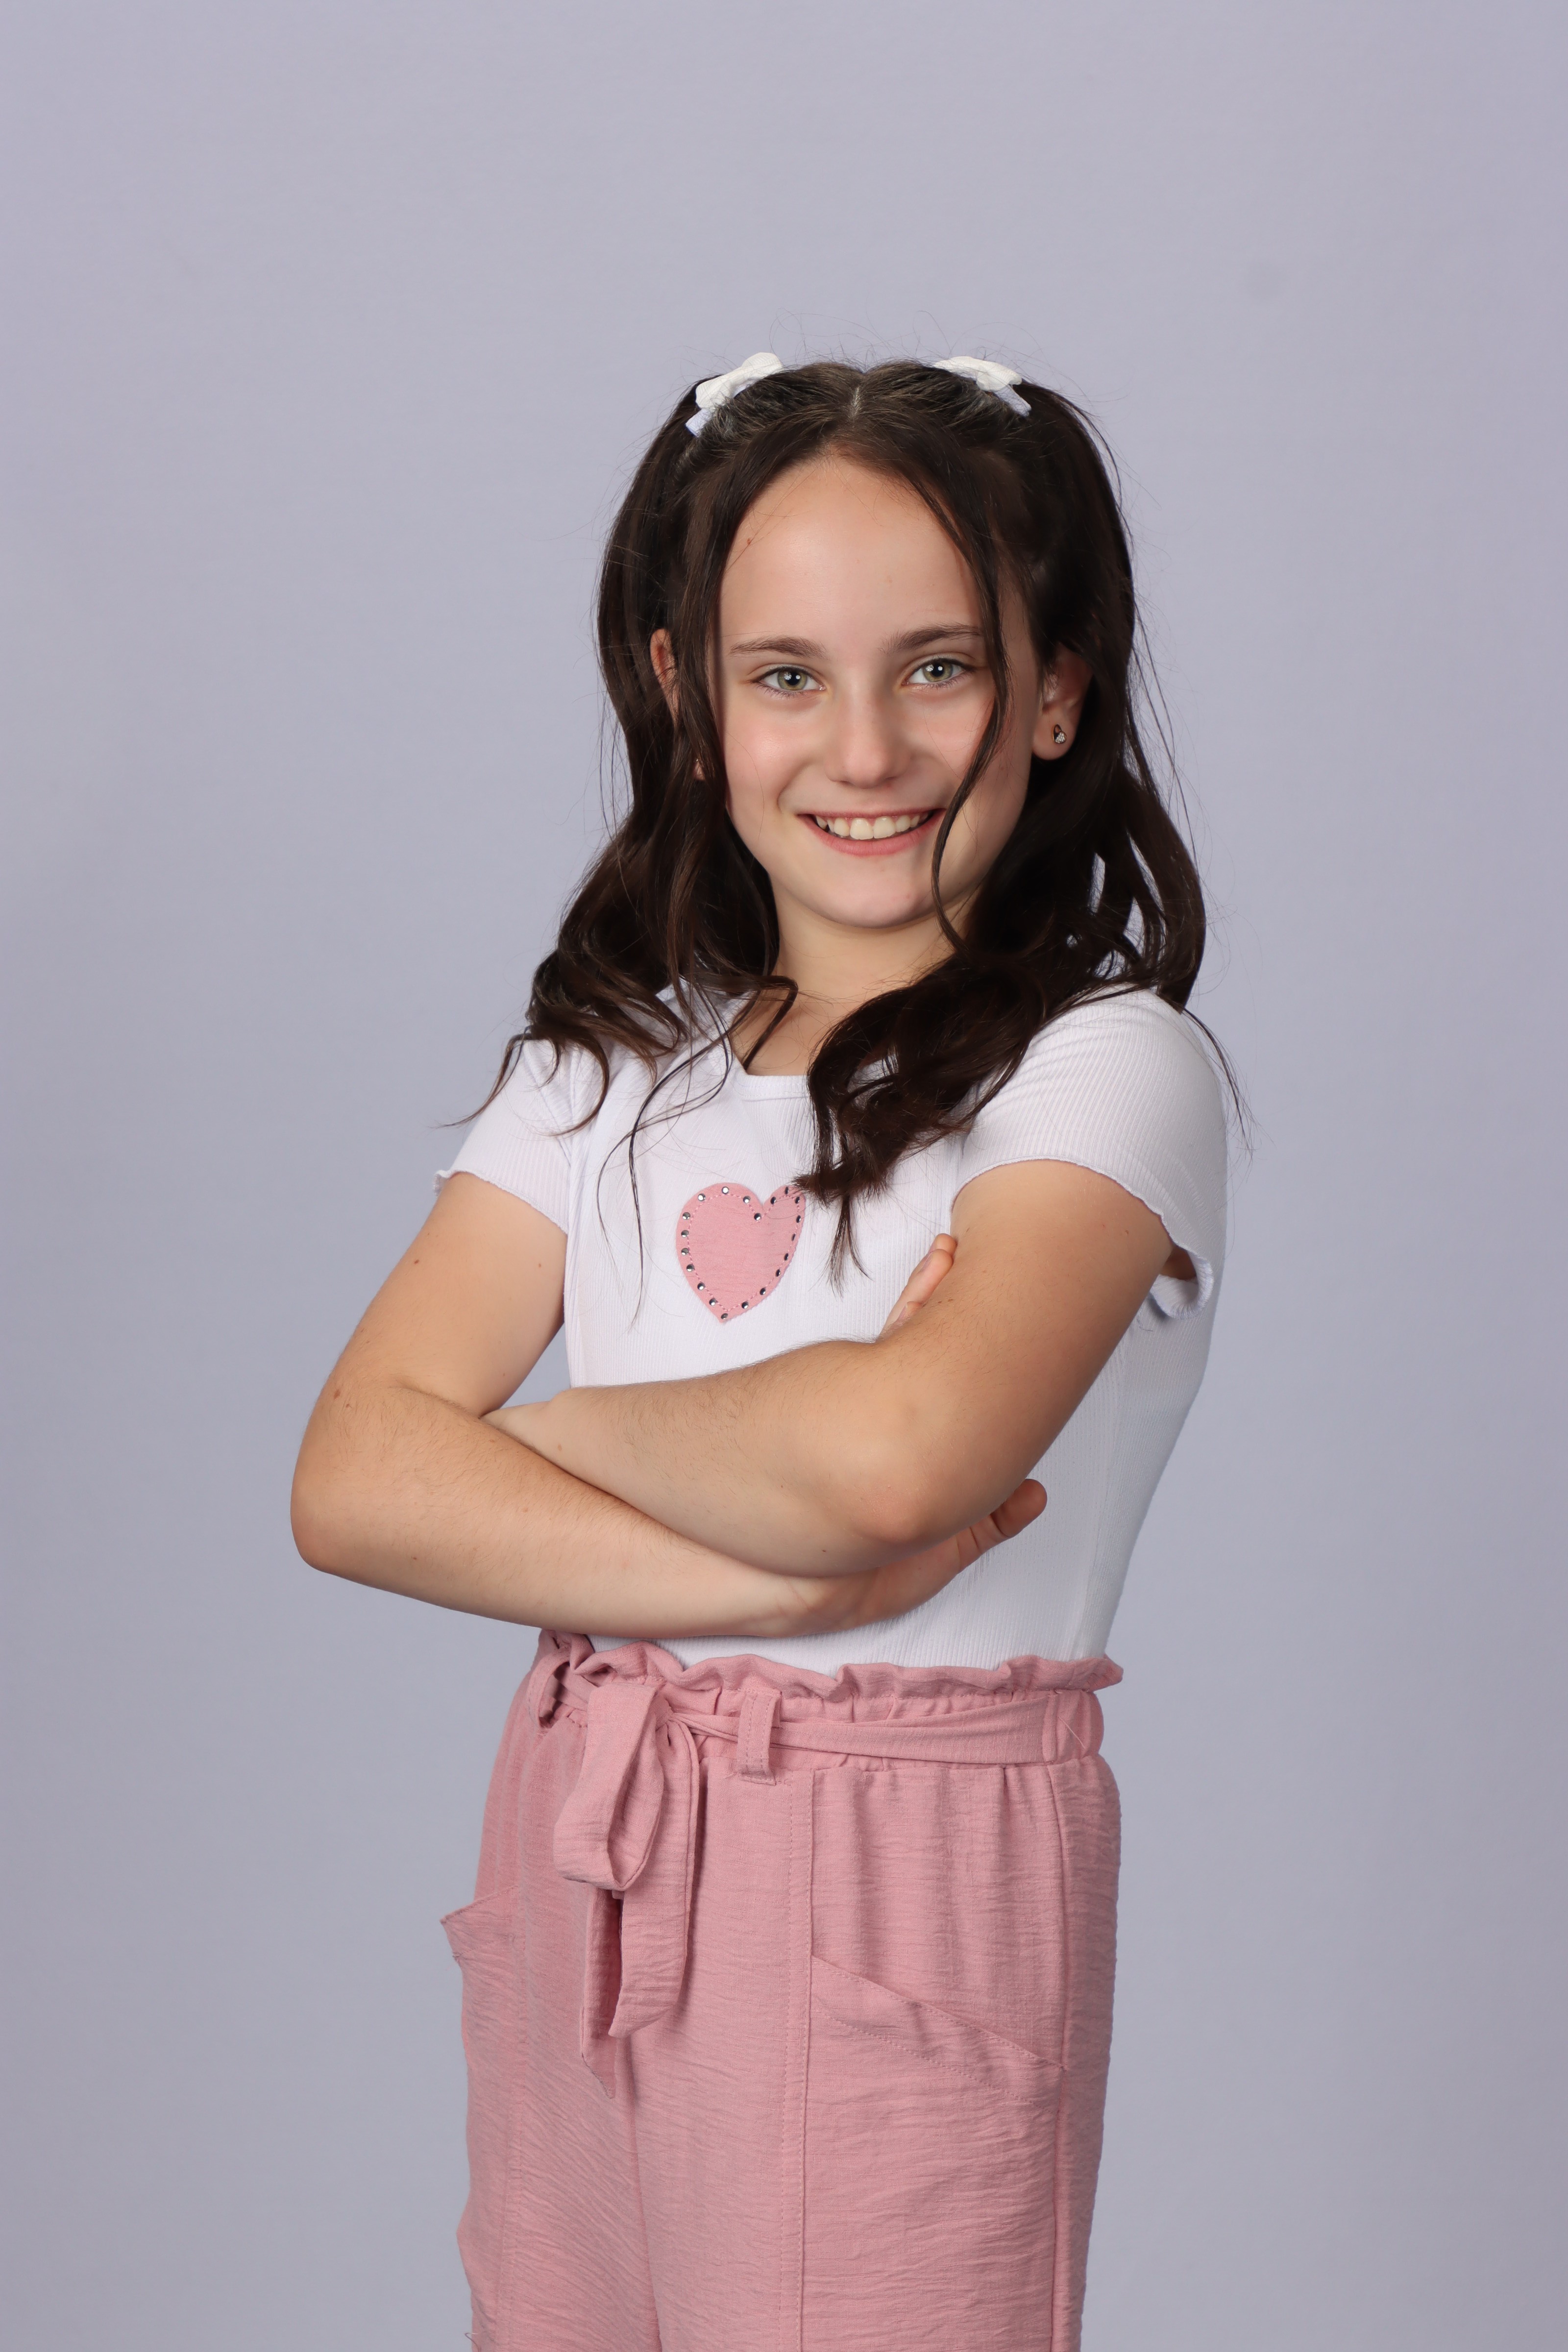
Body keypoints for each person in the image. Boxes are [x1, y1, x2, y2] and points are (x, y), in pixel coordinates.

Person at [291, 350, 1229, 2352]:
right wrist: (779, 1570)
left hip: (906, 1858)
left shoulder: (1103, 1073)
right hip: (597, 1826)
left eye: (940, 667)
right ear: (685, 698)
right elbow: (353, 1478)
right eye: (786, 675)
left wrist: (535, 1441)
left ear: (1056, 689)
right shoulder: (606, 1068)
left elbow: (901, 1459)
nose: (864, 746)